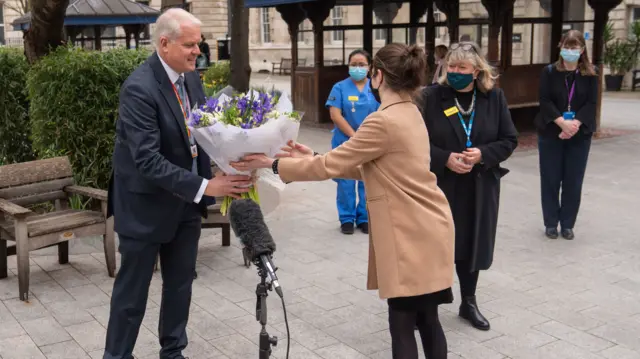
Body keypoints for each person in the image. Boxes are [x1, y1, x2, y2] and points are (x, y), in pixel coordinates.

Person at [232, 43, 455, 359]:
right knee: (427, 318)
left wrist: (271, 164)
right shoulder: (411, 112)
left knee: (402, 321)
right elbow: (379, 168)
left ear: (377, 76)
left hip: (410, 233)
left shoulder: (383, 120)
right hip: (430, 226)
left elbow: (330, 167)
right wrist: (315, 155)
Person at [104, 9, 252, 359]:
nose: (197, 52)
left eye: (198, 44)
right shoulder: (139, 89)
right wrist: (206, 187)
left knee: (180, 286)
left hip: (185, 204)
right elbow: (147, 160)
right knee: (131, 296)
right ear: (164, 43)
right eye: (189, 45)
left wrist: (240, 158)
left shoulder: (192, 79)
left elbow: (203, 137)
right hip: (145, 207)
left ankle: (173, 352)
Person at [420, 41, 518, 331]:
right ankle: (427, 306)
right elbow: (415, 141)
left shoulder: (494, 98)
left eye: (462, 67)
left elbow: (509, 139)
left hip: (478, 185)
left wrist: (482, 155)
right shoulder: (430, 97)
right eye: (451, 66)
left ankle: (468, 302)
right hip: (440, 185)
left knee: (471, 244)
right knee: (436, 245)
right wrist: (444, 158)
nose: (454, 71)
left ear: (477, 71)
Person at [536, 30, 597, 240]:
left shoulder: (591, 73)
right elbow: (544, 100)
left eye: (574, 47)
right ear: (560, 47)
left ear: (582, 50)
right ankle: (551, 222)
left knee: (573, 180)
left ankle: (568, 224)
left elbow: (591, 103)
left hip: (579, 134)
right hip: (551, 131)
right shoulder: (550, 72)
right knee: (551, 178)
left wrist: (574, 125)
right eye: (567, 47)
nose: (570, 51)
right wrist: (562, 123)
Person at [326, 49, 380, 235]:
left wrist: (366, 137)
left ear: (370, 67)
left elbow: (382, 114)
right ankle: (347, 218)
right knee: (346, 180)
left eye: (362, 64)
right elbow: (335, 114)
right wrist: (354, 136)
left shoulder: (376, 88)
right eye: (354, 64)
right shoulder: (339, 87)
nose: (358, 68)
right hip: (345, 141)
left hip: (370, 142)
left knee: (368, 180)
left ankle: (364, 217)